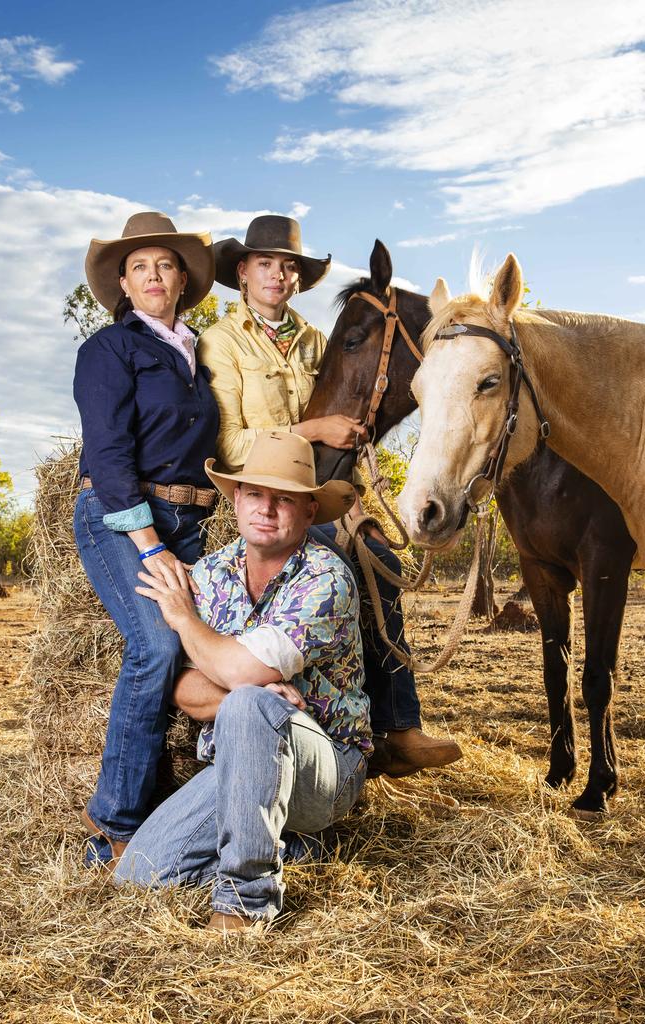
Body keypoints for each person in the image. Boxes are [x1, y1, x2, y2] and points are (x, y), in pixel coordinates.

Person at [197, 215, 461, 777]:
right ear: (242, 272)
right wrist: (312, 433)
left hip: (312, 495)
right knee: (334, 567)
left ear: (298, 279)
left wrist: (356, 509)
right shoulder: (220, 342)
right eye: (265, 263)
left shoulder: (318, 342)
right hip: (255, 494)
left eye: (288, 266)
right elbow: (231, 443)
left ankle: (396, 726)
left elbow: (347, 429)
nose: (278, 274)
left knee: (378, 557)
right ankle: (336, 725)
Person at [114, 431, 371, 931]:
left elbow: (240, 672)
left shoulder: (326, 579)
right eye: (254, 493)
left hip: (326, 767)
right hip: (238, 766)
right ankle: (290, 843)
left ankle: (245, 903)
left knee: (250, 703)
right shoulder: (208, 576)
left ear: (311, 511)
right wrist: (241, 690)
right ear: (236, 498)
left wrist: (189, 624)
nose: (266, 509)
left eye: (284, 499)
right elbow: (180, 687)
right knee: (138, 875)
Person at [73, 211, 220, 868]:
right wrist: (152, 548)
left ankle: (187, 798)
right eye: (140, 267)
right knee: (157, 645)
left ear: (182, 278)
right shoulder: (109, 351)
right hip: (120, 516)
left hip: (190, 522)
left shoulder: (199, 354)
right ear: (124, 286)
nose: (154, 276)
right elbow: (107, 459)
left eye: (164, 264)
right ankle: (116, 824)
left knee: (208, 649)